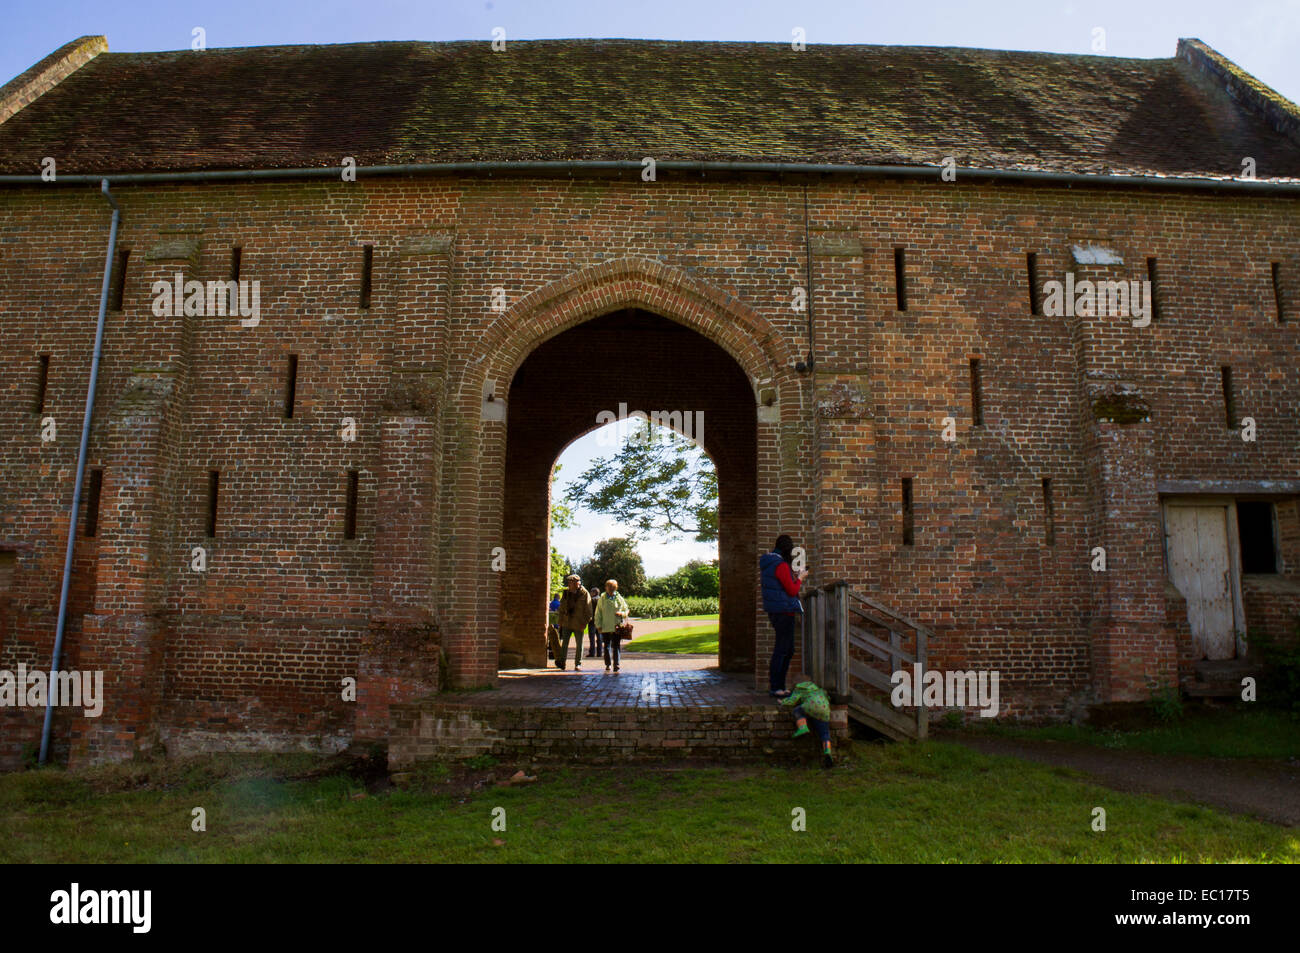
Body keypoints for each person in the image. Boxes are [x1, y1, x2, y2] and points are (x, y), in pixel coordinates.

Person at [760, 534, 806, 698]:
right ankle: (776, 686)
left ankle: (779, 685)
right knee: (782, 650)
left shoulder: (769, 564)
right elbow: (792, 591)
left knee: (788, 649)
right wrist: (800, 578)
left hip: (776, 610)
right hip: (784, 611)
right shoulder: (780, 565)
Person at [781, 680, 834, 769]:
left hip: (810, 707)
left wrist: (783, 701)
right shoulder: (819, 690)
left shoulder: (799, 689)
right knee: (825, 734)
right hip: (824, 711)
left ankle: (802, 727)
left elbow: (792, 701)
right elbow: (828, 697)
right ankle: (828, 752)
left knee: (797, 711)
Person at [555, 574, 592, 670]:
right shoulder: (566, 593)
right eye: (569, 582)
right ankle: (562, 662)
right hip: (567, 622)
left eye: (570, 582)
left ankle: (578, 663)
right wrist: (560, 621)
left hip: (579, 623)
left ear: (577, 583)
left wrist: (585, 622)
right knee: (564, 644)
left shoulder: (584, 593)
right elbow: (562, 608)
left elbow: (588, 610)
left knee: (579, 644)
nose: (569, 584)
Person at [594, 578, 630, 673]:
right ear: (606, 587)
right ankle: (608, 664)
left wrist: (621, 613)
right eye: (609, 587)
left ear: (615, 588)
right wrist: (598, 625)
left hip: (616, 626)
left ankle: (616, 665)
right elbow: (598, 613)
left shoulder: (619, 598)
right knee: (606, 646)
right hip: (605, 627)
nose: (610, 589)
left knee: (616, 646)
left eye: (613, 587)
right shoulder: (602, 598)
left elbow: (626, 610)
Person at [586, 587, 602, 657]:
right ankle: (599, 652)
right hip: (599, 621)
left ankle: (592, 652)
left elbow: (589, 610)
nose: (590, 593)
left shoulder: (592, 600)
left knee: (592, 638)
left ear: (594, 593)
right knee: (599, 638)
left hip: (592, 621)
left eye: (591, 592)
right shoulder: (601, 600)